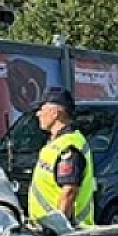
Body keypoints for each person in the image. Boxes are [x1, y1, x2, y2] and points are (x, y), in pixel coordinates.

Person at [27, 88, 95, 228]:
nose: (38, 114)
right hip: (47, 230)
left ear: (55, 113)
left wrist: (59, 229)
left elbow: (69, 192)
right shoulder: (57, 142)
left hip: (64, 233)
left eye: (42, 109)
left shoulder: (69, 146)